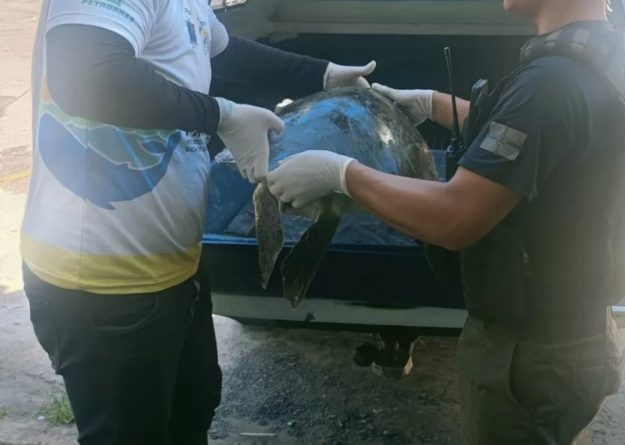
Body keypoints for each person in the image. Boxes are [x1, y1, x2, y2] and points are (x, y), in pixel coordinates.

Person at [268, 0, 625, 443]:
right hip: (570, 327)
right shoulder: (600, 53)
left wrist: (340, 173)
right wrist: (434, 105)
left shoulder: (552, 82)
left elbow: (454, 218)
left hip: (530, 354)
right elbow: (543, 131)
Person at [22, 0, 374, 443]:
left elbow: (222, 49)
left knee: (191, 410)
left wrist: (322, 74)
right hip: (102, 281)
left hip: (171, 268)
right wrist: (221, 115)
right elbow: (87, 72)